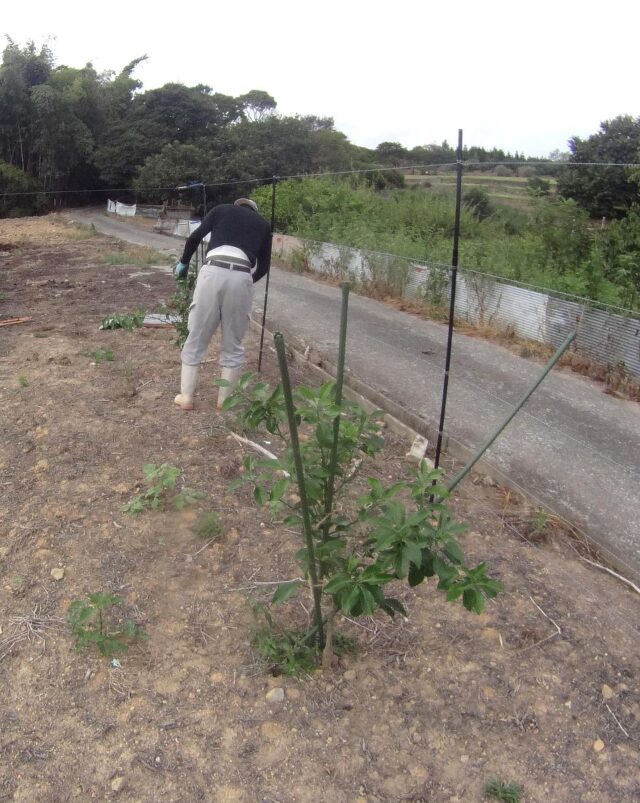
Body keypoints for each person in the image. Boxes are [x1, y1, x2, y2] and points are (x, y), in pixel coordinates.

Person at [173, 197, 272, 411]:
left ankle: (187, 397)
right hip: (242, 275)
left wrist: (183, 262)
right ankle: (224, 402)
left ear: (237, 206)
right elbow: (263, 267)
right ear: (254, 211)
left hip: (213, 270)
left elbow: (195, 237)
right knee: (233, 343)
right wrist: (244, 282)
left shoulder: (222, 210)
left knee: (196, 335)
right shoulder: (263, 225)